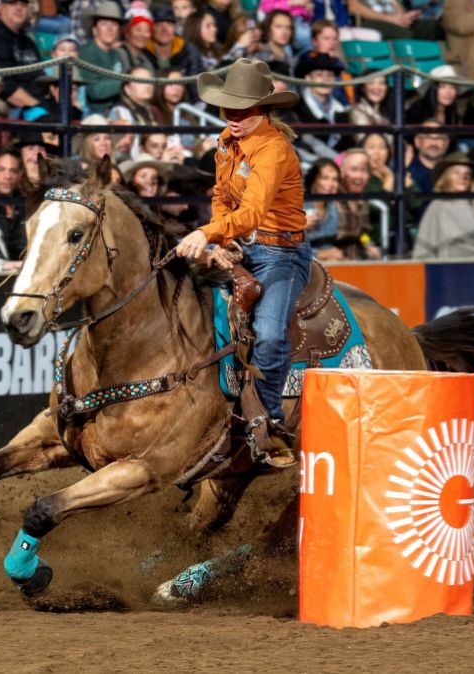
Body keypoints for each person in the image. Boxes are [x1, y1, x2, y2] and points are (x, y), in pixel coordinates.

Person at [172, 59, 308, 466]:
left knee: (267, 334)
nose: (233, 115)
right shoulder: (225, 142)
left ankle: (269, 422)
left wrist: (208, 234)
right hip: (244, 248)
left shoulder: (274, 150)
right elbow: (221, 197)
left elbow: (251, 210)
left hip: (282, 254)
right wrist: (223, 240)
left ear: (263, 110)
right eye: (228, 107)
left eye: (243, 108)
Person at [411, 152, 474, 258]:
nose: (463, 177)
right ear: (446, 177)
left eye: (468, 174)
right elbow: (426, 248)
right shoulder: (438, 206)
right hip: (449, 269)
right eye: (457, 172)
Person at [294, 54, 352, 155]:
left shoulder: (341, 110)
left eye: (330, 75)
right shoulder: (295, 107)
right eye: (319, 75)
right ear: (308, 78)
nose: (325, 79)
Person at [334, 149, 383, 259]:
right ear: (342, 171)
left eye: (364, 171)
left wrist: (367, 245)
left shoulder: (362, 200)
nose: (359, 176)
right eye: (354, 169)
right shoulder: (331, 196)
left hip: (355, 263)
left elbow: (363, 234)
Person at [79, 1, 128, 110]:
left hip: (117, 110)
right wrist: (127, 81)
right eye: (104, 23)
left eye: (114, 24)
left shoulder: (118, 54)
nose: (109, 29)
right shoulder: (86, 52)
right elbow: (94, 91)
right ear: (95, 30)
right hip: (94, 114)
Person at [303, 159, 344, 261]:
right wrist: (320, 254)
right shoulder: (298, 205)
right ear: (314, 181)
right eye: (325, 178)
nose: (330, 184)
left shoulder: (334, 207)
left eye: (335, 179)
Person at [147, 5, 205, 75]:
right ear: (151, 28)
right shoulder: (143, 51)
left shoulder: (189, 51)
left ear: (175, 27)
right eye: (158, 24)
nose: (164, 29)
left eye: (169, 24)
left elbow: (195, 80)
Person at [349, 74, 390, 143]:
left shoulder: (387, 112)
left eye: (382, 83)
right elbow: (365, 142)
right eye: (371, 83)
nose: (377, 87)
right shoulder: (358, 111)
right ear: (363, 88)